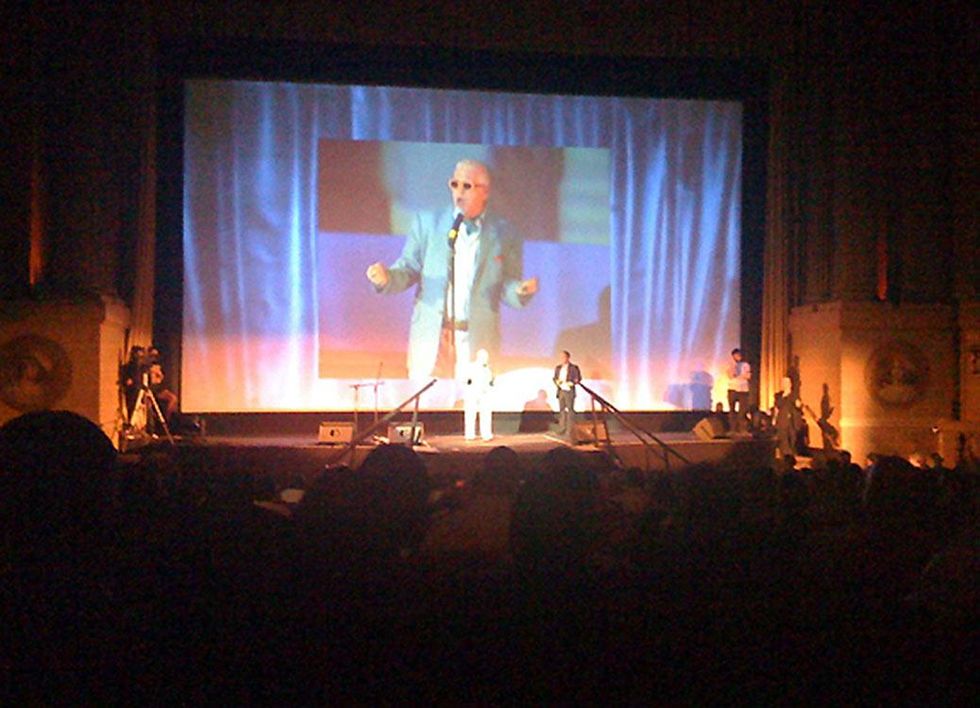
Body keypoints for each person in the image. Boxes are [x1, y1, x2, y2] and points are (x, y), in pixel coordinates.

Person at [365, 159, 539, 380]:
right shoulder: (428, 223)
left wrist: (520, 290)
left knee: (472, 408)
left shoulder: (504, 232)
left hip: (476, 340)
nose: (459, 192)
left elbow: (506, 284)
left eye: (467, 186)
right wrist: (385, 278)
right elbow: (408, 268)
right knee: (427, 408)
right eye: (454, 184)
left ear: (484, 192)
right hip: (432, 339)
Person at [464, 349, 495, 441]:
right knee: (470, 414)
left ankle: (486, 434)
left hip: (484, 394)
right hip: (472, 394)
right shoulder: (471, 367)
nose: (486, 359)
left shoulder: (487, 370)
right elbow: (466, 380)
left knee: (485, 413)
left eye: (486, 357)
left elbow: (490, 382)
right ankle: (469, 434)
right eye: (484, 357)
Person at [553, 350, 582, 438]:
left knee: (570, 410)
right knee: (562, 410)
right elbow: (554, 378)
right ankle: (562, 428)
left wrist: (572, 383)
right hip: (561, 390)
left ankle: (570, 430)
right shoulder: (558, 367)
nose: (562, 359)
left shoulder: (574, 367)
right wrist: (557, 382)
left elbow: (578, 378)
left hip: (569, 390)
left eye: (564, 357)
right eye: (561, 357)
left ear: (568, 357)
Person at [726, 347, 751, 433]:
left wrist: (742, 374)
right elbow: (730, 375)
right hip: (733, 389)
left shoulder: (746, 365)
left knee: (742, 411)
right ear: (733, 356)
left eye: (739, 355)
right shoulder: (730, 365)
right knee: (732, 411)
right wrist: (734, 368)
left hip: (743, 390)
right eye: (735, 355)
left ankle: (742, 429)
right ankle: (732, 429)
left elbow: (748, 376)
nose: (737, 357)